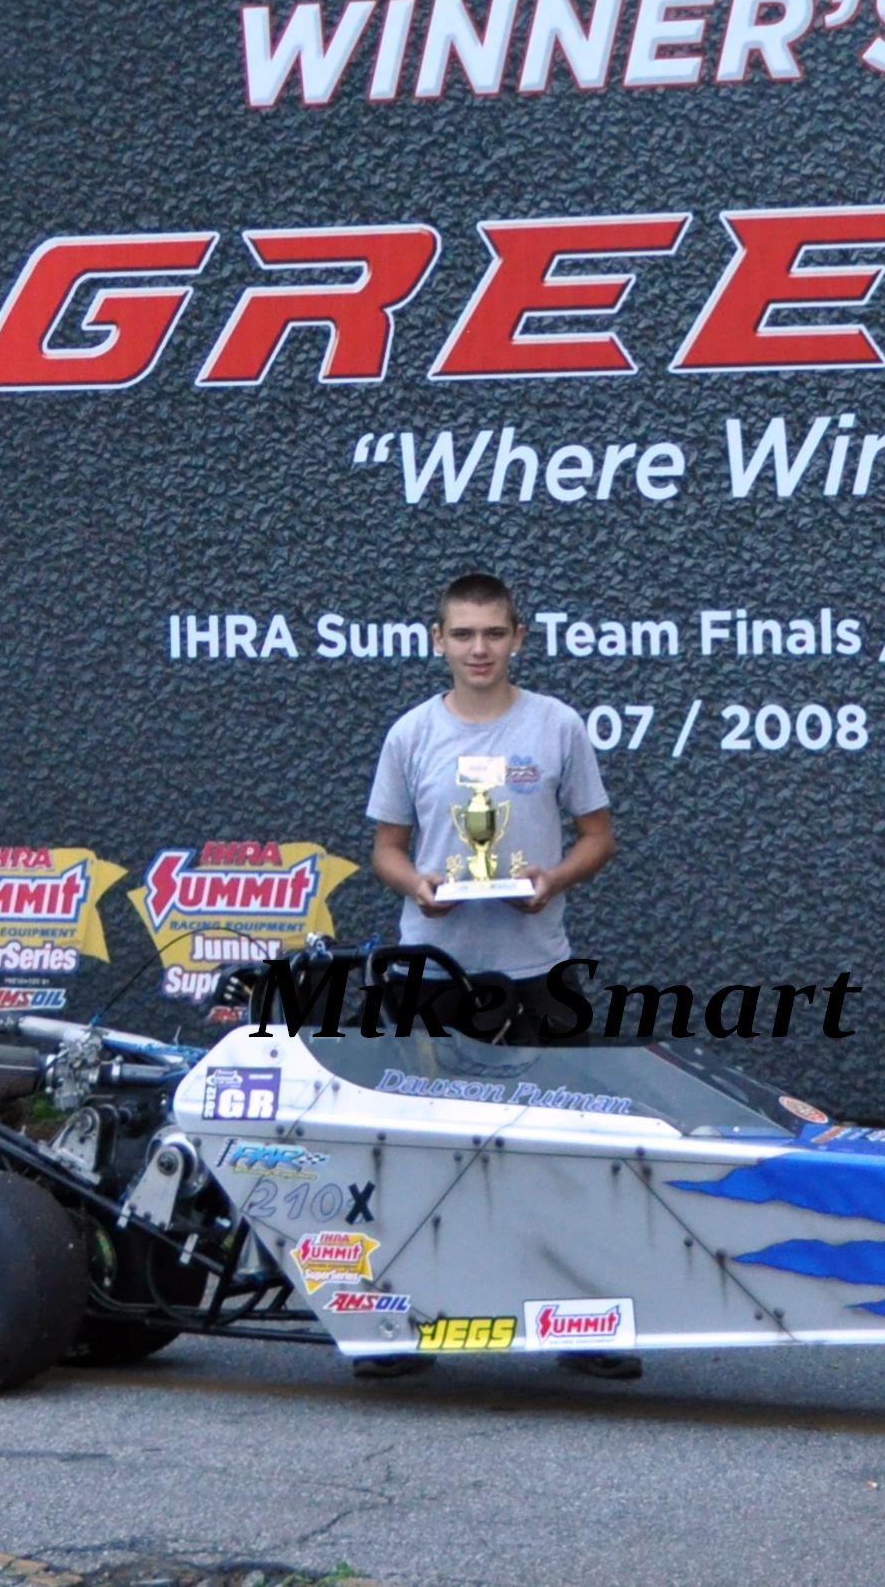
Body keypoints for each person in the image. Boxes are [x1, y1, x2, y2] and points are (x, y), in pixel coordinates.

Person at [356, 568, 641, 1382]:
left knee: (565, 1147)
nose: (477, 649)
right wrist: (418, 886)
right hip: (431, 972)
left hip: (536, 970)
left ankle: (583, 1324)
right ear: (437, 640)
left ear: (518, 637)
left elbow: (598, 836)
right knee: (417, 1151)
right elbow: (385, 850)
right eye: (462, 634)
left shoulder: (556, 725)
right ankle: (401, 1322)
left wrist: (553, 879)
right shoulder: (411, 734)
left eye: (492, 633)